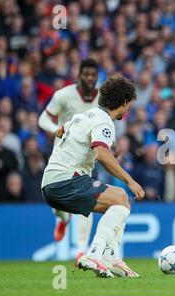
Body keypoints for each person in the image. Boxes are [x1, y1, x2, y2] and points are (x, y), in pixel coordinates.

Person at [41, 75, 145, 278]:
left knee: (119, 201)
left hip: (51, 183)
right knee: (121, 196)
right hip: (67, 180)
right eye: (128, 105)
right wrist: (130, 181)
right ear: (123, 102)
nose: (128, 110)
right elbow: (101, 154)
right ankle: (95, 254)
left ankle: (112, 257)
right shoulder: (105, 122)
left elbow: (60, 132)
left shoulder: (84, 115)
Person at [38, 58, 100, 256]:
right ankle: (62, 219)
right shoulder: (63, 95)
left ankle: (81, 249)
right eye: (86, 74)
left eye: (93, 75)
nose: (90, 78)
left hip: (87, 158)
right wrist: (57, 129)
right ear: (79, 75)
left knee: (87, 198)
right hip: (63, 154)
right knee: (56, 200)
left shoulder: (103, 99)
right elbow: (43, 118)